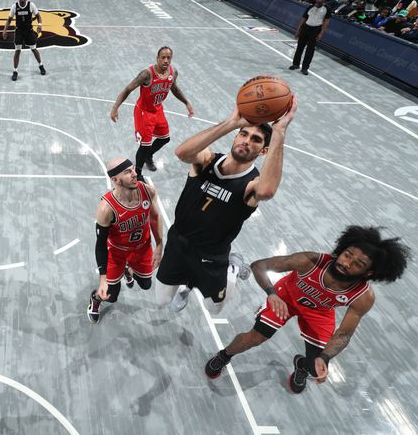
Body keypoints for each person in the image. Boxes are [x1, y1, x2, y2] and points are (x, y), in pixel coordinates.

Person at [204, 226, 410, 393]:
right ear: (342, 249)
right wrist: (272, 294)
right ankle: (225, 355)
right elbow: (259, 266)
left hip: (320, 311)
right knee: (255, 338)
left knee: (315, 366)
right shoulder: (310, 261)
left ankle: (302, 365)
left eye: (358, 264)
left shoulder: (364, 297)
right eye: (347, 255)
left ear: (368, 272)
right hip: (286, 296)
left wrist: (326, 357)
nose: (347, 264)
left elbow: (345, 333)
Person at [154, 96, 298, 315]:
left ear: (263, 151)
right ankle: (188, 283)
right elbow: (182, 153)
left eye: (256, 140)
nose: (247, 141)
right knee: (162, 301)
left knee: (214, 308)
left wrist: (278, 132)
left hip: (212, 253)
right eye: (244, 134)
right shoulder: (208, 160)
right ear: (236, 136)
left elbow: (267, 191)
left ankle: (232, 268)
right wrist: (232, 123)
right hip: (179, 241)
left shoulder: (253, 183)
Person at [87, 158, 163, 323]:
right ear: (114, 180)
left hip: (142, 249)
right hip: (116, 253)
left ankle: (127, 270)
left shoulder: (148, 191)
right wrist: (103, 279)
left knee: (145, 284)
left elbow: (155, 217)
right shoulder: (106, 209)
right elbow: (100, 245)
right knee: (110, 296)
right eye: (128, 172)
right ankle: (95, 300)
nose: (135, 174)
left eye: (133, 169)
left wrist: (159, 245)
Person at [109, 46, 194, 179]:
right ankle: (138, 173)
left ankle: (149, 155)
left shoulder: (173, 72)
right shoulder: (146, 74)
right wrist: (115, 108)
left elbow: (174, 88)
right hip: (144, 112)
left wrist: (186, 103)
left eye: (169, 58)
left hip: (157, 109)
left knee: (165, 138)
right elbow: (127, 89)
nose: (166, 60)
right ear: (157, 59)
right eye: (163, 57)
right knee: (144, 145)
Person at [1, 0, 46, 81]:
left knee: (34, 49)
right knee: (17, 51)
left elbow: (38, 16)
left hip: (29, 31)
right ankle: (15, 71)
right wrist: (5, 30)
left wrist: (40, 25)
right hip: (19, 31)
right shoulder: (14, 6)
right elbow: (9, 19)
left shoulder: (31, 5)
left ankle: (41, 65)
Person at [289, 0, 331, 75]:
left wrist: (321, 34)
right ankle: (295, 64)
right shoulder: (310, 7)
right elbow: (304, 19)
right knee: (300, 47)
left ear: (325, 0)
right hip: (306, 28)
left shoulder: (327, 9)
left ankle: (305, 68)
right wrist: (298, 30)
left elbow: (326, 22)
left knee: (310, 50)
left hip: (316, 29)